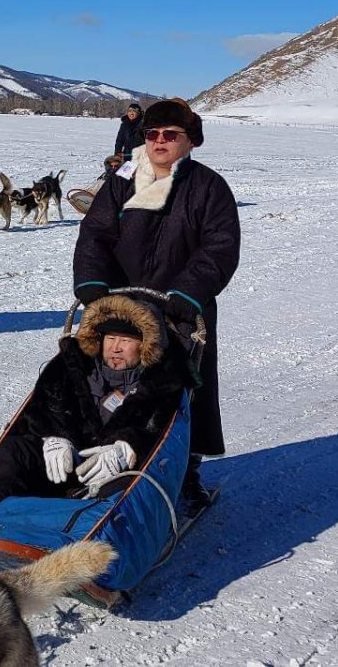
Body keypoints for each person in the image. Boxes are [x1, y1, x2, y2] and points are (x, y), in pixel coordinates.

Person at [72, 97, 239, 514]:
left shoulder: (208, 187)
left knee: (184, 389)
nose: (159, 141)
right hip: (121, 308)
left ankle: (185, 472)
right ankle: (99, 458)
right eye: (152, 134)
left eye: (170, 134)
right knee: (105, 386)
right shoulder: (122, 181)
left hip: (183, 309)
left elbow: (218, 248)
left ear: (190, 141)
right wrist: (94, 287)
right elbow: (95, 234)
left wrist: (185, 294)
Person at [0, 294, 194, 517]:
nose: (116, 348)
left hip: (113, 474)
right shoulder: (69, 369)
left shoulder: (162, 383)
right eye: (110, 339)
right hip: (64, 464)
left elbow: (167, 434)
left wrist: (128, 447)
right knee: (14, 450)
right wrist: (52, 437)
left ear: (145, 346)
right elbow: (34, 416)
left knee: (127, 483)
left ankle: (90, 545)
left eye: (125, 340)